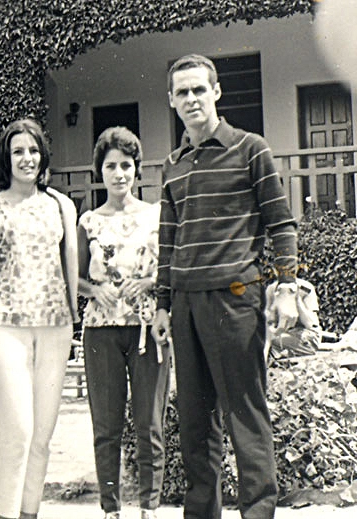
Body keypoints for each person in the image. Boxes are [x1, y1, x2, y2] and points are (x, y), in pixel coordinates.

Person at [151, 54, 299, 519]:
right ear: (171, 101)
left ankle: (257, 512)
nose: (191, 99)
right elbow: (167, 242)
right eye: (182, 92)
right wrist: (161, 304)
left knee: (245, 416)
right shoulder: (172, 166)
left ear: (216, 92)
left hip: (235, 302)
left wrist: (288, 287)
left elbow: (282, 223)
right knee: (196, 425)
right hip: (186, 308)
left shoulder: (251, 148)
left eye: (199, 89)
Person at [0, 118, 79, 519]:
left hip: (55, 325)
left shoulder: (61, 205)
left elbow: (71, 268)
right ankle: (7, 514)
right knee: (18, 431)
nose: (26, 158)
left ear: (42, 155)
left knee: (43, 437)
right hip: (5, 329)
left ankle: (30, 513)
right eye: (18, 151)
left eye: (33, 150)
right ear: (6, 158)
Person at [77, 127, 171, 519]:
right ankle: (111, 510)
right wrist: (92, 291)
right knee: (107, 425)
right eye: (111, 166)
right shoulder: (88, 222)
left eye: (126, 165)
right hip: (101, 331)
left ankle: (149, 508)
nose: (119, 173)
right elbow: (74, 278)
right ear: (101, 171)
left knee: (149, 424)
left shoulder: (155, 216)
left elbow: (168, 269)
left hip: (148, 330)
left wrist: (149, 281)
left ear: (137, 170)